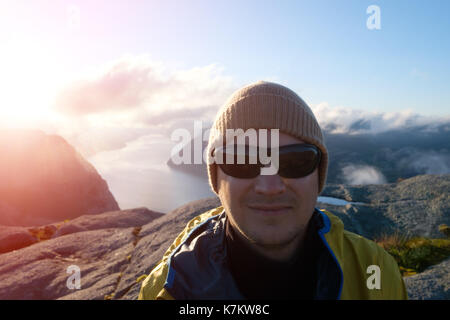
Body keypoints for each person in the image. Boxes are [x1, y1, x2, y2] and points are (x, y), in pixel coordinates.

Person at [139, 81, 408, 300]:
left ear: (318, 175)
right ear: (216, 179)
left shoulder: (374, 269)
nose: (270, 187)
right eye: (241, 162)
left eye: (295, 161)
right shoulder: (170, 288)